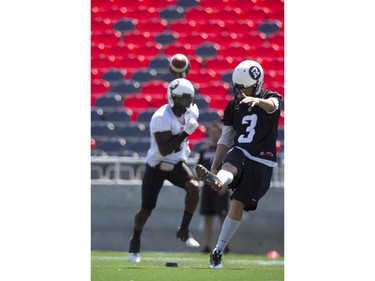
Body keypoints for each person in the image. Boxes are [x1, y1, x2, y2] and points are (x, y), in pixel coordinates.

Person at [195, 60, 282, 269]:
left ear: (258, 82)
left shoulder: (270, 97)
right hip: (241, 150)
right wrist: (214, 166)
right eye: (239, 87)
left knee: (237, 204)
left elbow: (273, 106)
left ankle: (218, 250)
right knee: (233, 160)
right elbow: (225, 139)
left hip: (262, 158)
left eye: (246, 87)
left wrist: (255, 100)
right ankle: (219, 180)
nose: (242, 91)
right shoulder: (233, 105)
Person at [128, 78, 201, 263]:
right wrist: (186, 134)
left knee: (194, 187)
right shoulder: (161, 117)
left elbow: (176, 149)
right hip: (157, 165)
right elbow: (164, 149)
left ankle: (183, 230)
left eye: (187, 100)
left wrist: (186, 141)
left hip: (176, 163)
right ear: (171, 98)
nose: (184, 105)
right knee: (146, 210)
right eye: (181, 100)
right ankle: (135, 240)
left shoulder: (192, 110)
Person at [197, 121, 231, 254]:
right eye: (211, 133)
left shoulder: (226, 151)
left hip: (220, 187)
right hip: (207, 189)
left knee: (223, 218)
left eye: (216, 133)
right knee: (207, 217)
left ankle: (225, 245)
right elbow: (199, 169)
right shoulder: (204, 150)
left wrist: (226, 186)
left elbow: (229, 169)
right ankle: (207, 245)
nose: (213, 135)